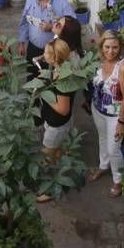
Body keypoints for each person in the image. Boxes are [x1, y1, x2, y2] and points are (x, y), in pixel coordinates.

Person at [89, 30, 124, 197]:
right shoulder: (98, 61)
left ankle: (118, 180)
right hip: (98, 111)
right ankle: (103, 166)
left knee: (114, 149)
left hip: (115, 117)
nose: (110, 51)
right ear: (102, 46)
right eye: (107, 47)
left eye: (115, 47)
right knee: (102, 139)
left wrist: (122, 122)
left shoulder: (123, 67)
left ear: (120, 47)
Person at [36, 38, 76, 203]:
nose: (43, 54)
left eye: (46, 52)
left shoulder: (62, 80)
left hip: (57, 124)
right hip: (59, 122)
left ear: (55, 57)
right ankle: (62, 176)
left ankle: (50, 189)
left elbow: (63, 108)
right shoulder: (61, 69)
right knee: (58, 152)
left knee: (47, 157)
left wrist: (44, 92)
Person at [18, 0, 75, 81]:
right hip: (33, 48)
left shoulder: (63, 5)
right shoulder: (30, 0)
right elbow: (24, 21)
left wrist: (51, 28)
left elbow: (73, 29)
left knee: (50, 83)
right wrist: (21, 42)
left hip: (53, 53)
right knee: (32, 79)